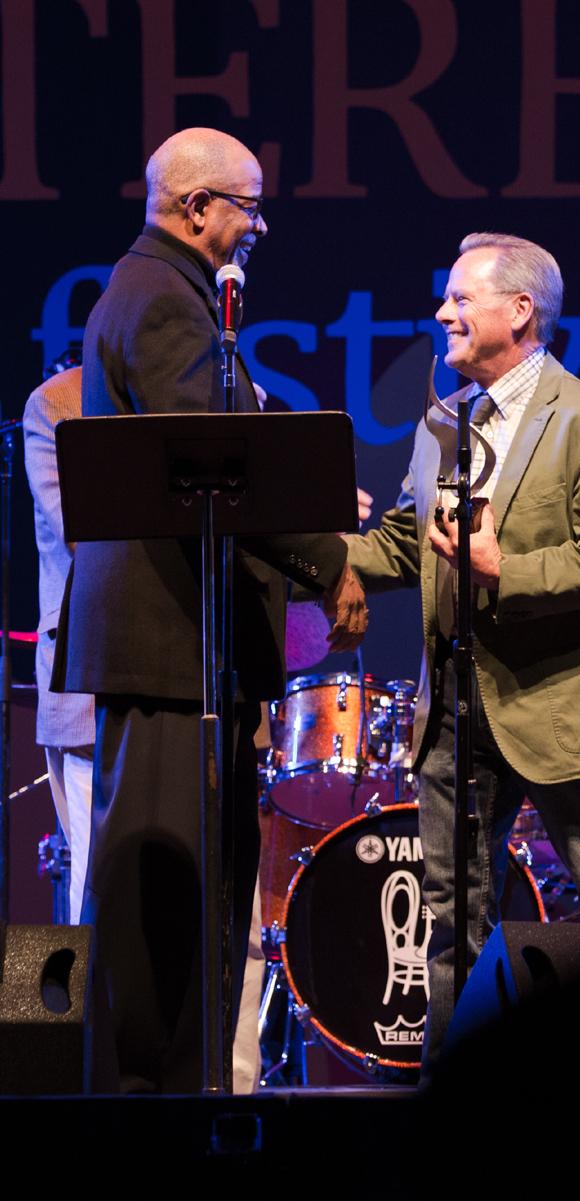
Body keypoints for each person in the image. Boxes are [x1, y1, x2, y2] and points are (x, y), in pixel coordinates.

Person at [55, 127, 368, 1092]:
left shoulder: (174, 296)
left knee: (199, 895)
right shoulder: (158, 300)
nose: (259, 224)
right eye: (248, 204)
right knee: (166, 902)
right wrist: (329, 561)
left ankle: (174, 1095)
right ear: (196, 209)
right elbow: (219, 464)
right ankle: (147, 1109)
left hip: (183, 647)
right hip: (164, 650)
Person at [347, 232, 580, 1069]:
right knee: (452, 916)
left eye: (461, 298)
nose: (442, 312)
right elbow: (412, 542)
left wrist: (502, 569)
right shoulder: (443, 421)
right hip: (452, 707)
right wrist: (318, 548)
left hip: (559, 703)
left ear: (520, 311)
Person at [23, 356, 91, 924]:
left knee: (223, 908)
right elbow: (83, 532)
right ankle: (93, 1016)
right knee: (99, 885)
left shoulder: (240, 389)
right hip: (91, 684)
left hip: (213, 678)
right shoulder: (58, 402)